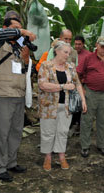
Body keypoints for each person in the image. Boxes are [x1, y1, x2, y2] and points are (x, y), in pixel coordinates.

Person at [0, 12, 36, 182]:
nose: (19, 32)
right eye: (15, 28)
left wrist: (26, 60)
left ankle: (11, 162)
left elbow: (30, 73)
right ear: (5, 28)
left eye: (20, 28)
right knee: (0, 134)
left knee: (15, 132)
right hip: (1, 95)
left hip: (18, 95)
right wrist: (23, 32)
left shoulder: (19, 48)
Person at [38, 41, 87, 171]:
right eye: (65, 52)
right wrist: (62, 86)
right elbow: (43, 85)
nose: (67, 55)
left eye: (69, 53)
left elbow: (77, 84)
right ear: (57, 51)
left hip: (66, 106)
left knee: (63, 132)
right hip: (48, 106)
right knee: (48, 132)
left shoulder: (70, 67)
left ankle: (61, 157)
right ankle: (47, 158)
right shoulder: (46, 65)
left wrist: (83, 100)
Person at [77, 36, 104, 157]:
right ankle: (85, 146)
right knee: (86, 120)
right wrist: (82, 89)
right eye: (102, 46)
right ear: (97, 45)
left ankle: (102, 145)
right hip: (90, 92)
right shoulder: (88, 58)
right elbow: (78, 74)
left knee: (103, 121)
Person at [69, 35, 91, 135]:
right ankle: (72, 123)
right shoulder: (70, 53)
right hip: (70, 82)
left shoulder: (88, 55)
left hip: (82, 82)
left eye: (79, 44)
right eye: (76, 44)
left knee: (79, 103)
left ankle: (77, 124)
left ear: (83, 44)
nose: (77, 46)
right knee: (71, 103)